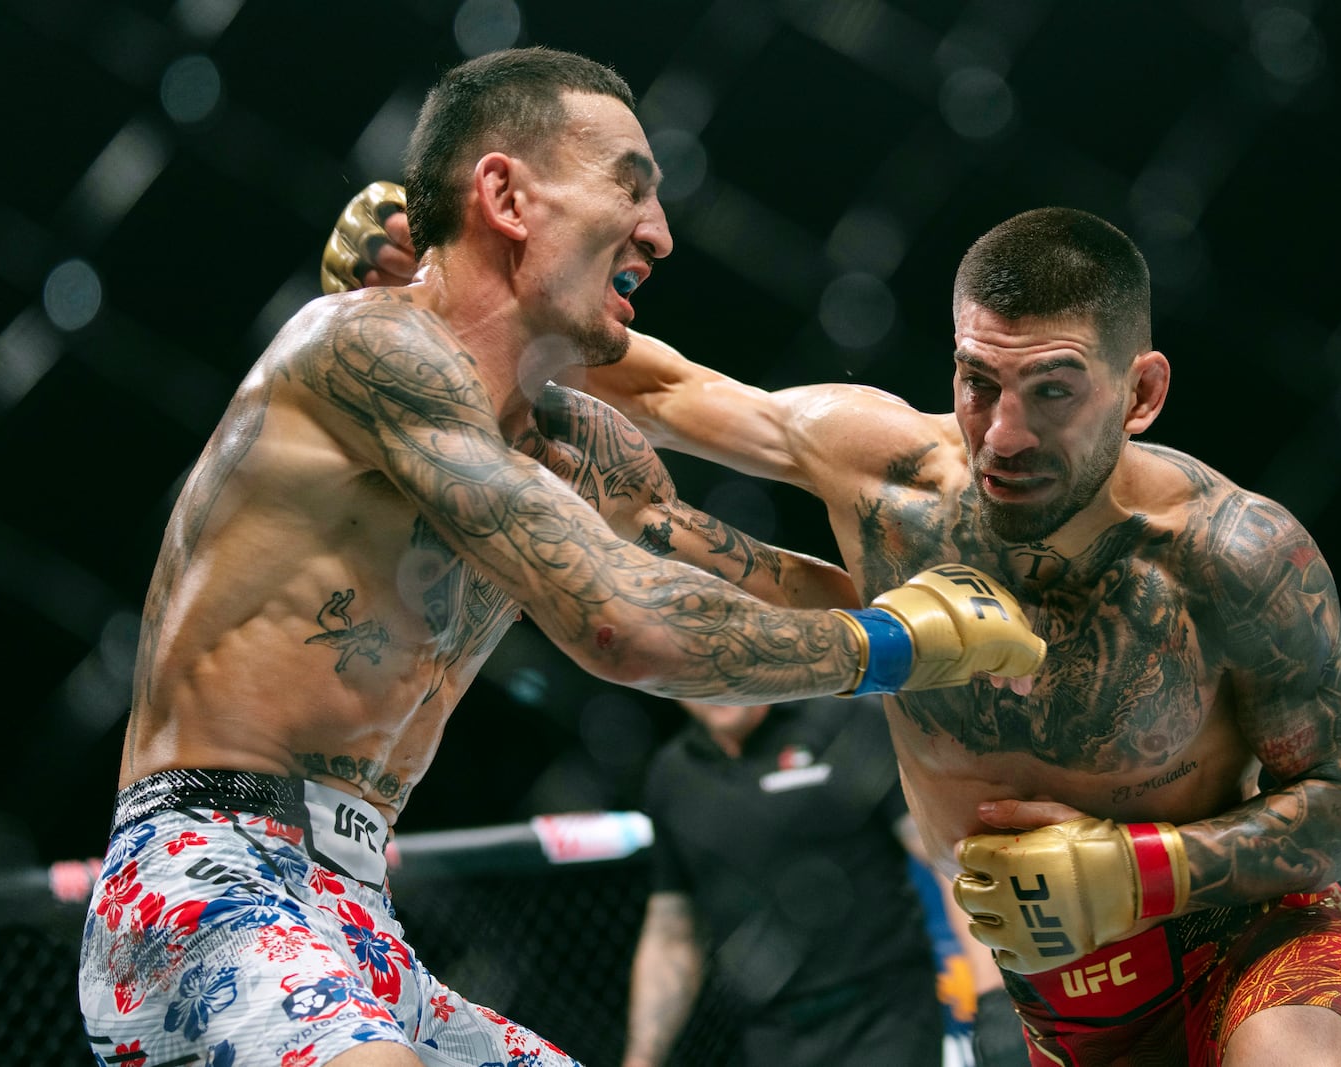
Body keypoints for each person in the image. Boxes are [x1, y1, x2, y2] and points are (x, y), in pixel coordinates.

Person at [77, 48, 1048, 1067]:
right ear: (503, 194)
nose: (661, 233)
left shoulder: (576, 445)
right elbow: (624, 622)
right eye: (630, 186)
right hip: (205, 879)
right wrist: (900, 643)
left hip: (360, 916)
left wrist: (983, 622)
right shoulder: (365, 349)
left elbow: (743, 580)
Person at [328, 188, 1341, 1065]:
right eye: (978, 382)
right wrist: (444, 298)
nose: (1005, 433)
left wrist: (1141, 868)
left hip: (1245, 941)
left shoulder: (1229, 554)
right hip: (1061, 1011)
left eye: (1053, 389)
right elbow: (660, 384)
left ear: (1141, 393)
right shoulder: (892, 480)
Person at [625, 695, 958, 1067]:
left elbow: (946, 861)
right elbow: (672, 933)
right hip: (770, 1031)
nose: (713, 690)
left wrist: (996, 992)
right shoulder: (673, 775)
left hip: (884, 1014)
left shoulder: (844, 721)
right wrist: (640, 1061)